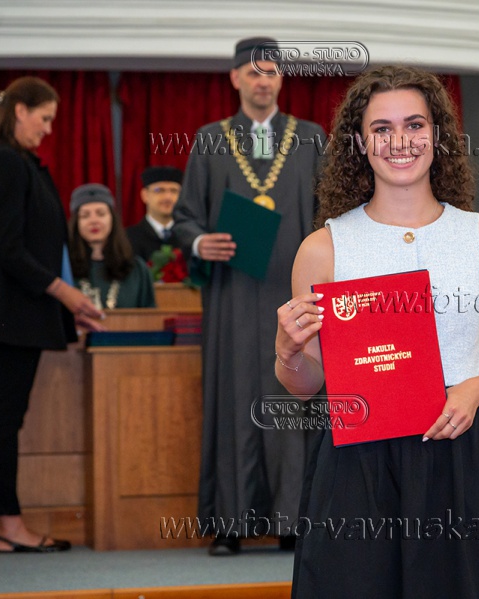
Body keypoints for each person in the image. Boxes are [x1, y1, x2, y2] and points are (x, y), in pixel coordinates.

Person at [275, 65, 479, 599]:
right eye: (382, 128)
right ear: (359, 142)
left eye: (414, 125)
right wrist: (289, 353)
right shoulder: (323, 249)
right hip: (355, 464)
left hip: (456, 451)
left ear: (437, 135)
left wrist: (473, 390)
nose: (400, 142)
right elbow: (306, 386)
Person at [172, 36, 327, 555]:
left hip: (296, 293)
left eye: (271, 72)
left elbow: (331, 211)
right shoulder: (209, 140)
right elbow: (185, 217)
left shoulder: (311, 139)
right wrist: (200, 241)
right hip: (234, 297)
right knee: (234, 399)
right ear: (235, 78)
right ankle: (230, 523)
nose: (263, 81)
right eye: (253, 72)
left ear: (282, 78)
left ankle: (294, 520)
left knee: (293, 400)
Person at [0, 76, 105, 553]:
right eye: (44, 118)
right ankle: (9, 526)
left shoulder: (19, 161)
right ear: (19, 110)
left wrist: (67, 307)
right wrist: (66, 294)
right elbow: (7, 248)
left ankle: (9, 524)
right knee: (5, 418)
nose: (48, 129)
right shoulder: (4, 161)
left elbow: (38, 247)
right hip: (12, 315)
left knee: (9, 416)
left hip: (22, 313)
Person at [68, 183, 156, 309]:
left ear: (112, 219)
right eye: (85, 215)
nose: (94, 221)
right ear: (76, 223)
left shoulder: (137, 269)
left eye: (101, 214)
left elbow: (150, 315)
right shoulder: (65, 268)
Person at [126, 166, 183, 261]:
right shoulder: (128, 238)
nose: (168, 197)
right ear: (144, 195)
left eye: (174, 191)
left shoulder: (189, 238)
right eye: (159, 190)